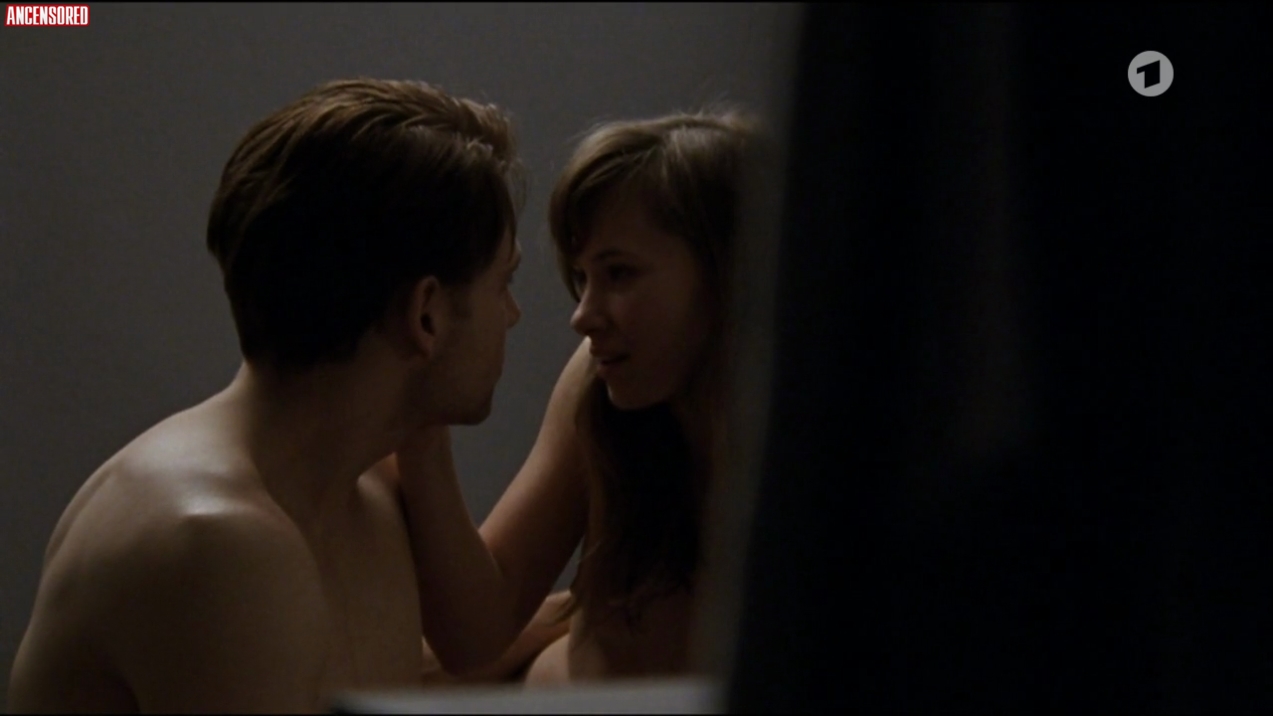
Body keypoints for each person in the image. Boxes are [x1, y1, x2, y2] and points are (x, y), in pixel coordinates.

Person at [8, 78, 526, 713]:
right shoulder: (221, 544)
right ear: (427, 314)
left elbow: (476, 638)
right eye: (504, 282)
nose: (513, 315)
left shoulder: (368, 496)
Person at [395, 110, 753, 684]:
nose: (582, 316)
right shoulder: (596, 380)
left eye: (620, 274)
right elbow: (477, 628)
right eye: (583, 277)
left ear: (728, 272)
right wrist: (422, 429)